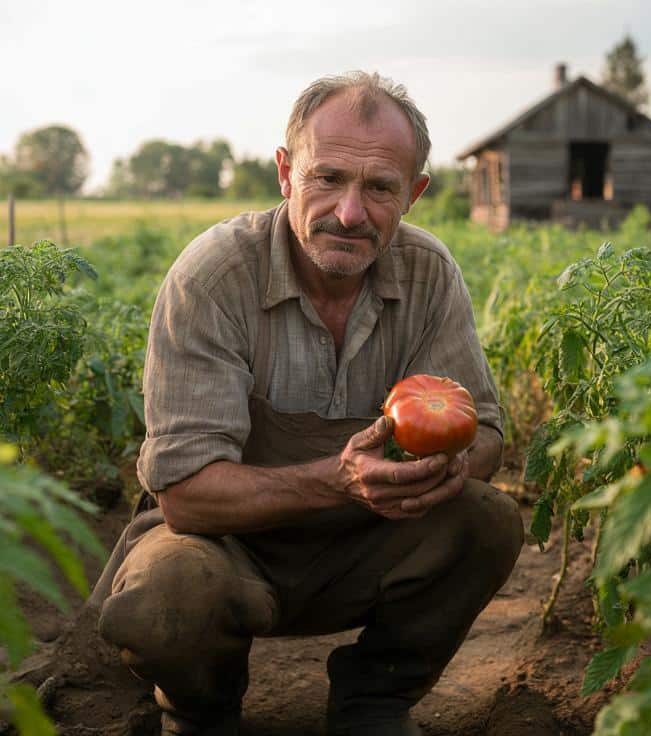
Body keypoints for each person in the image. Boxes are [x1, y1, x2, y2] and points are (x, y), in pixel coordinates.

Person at [89, 71, 524, 736]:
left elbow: (487, 432)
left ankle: (374, 701)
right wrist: (343, 479)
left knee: (487, 520)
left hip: (365, 546)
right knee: (169, 597)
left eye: (379, 187)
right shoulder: (214, 277)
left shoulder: (428, 274)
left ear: (414, 193)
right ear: (287, 174)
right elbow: (186, 496)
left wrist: (453, 465)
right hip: (223, 544)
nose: (350, 213)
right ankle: (201, 712)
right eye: (329, 178)